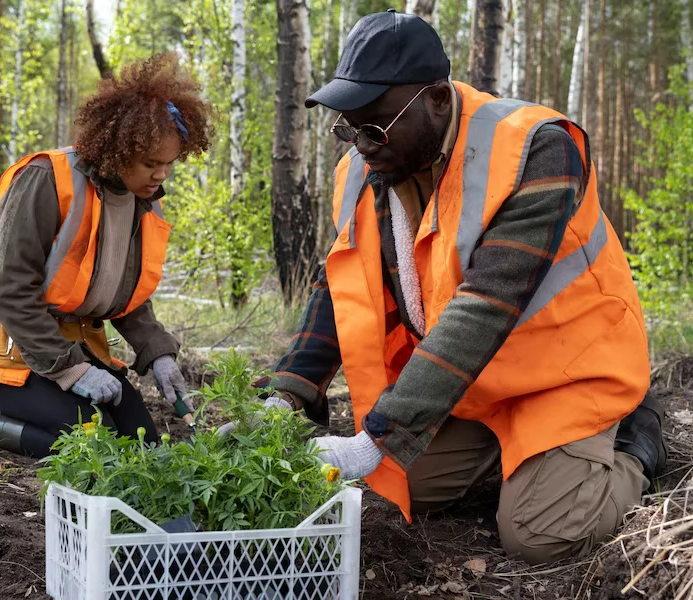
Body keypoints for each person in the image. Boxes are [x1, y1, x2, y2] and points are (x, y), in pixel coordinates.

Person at [264, 11, 666, 565]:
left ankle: (634, 440)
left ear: (434, 98)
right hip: (474, 386)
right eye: (346, 127)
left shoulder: (537, 149)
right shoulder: (368, 169)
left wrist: (379, 434)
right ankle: (514, 459)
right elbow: (338, 284)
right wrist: (286, 393)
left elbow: (484, 307)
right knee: (395, 488)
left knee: (539, 534)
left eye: (374, 127)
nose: (360, 145)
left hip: (566, 377)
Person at [0, 53, 211, 457]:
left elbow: (120, 294)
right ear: (118, 149)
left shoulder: (142, 199)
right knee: (92, 442)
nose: (161, 175)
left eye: (169, 164)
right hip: (2, 342)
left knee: (142, 444)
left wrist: (157, 352)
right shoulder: (46, 179)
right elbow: (7, 288)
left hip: (67, 344)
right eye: (151, 163)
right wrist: (70, 369)